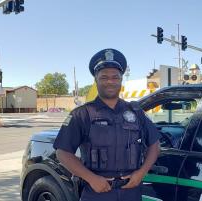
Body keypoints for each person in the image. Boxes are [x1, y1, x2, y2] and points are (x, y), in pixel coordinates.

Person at [53, 48, 161, 201]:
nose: (110, 81)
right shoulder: (82, 114)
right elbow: (62, 152)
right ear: (96, 80)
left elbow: (155, 145)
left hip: (131, 192)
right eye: (104, 77)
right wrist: (91, 178)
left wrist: (141, 173)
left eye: (115, 77)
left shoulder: (136, 112)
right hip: (96, 192)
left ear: (121, 80)